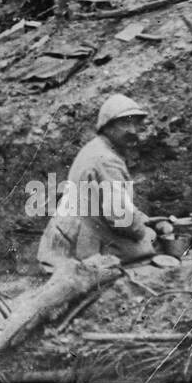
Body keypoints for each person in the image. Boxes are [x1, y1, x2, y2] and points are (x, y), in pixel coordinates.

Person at [37, 94, 157, 271]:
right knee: (149, 245)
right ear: (106, 127)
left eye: (136, 123)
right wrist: (142, 230)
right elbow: (120, 215)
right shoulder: (107, 160)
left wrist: (141, 218)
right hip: (79, 248)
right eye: (125, 123)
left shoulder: (98, 148)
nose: (132, 130)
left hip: (66, 239)